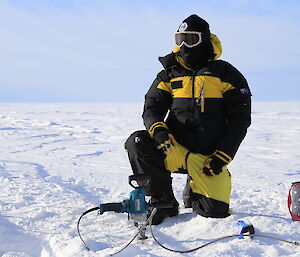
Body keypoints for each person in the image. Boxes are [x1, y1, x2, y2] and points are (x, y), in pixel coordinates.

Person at [125, 14, 251, 225]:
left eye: (191, 39)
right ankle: (162, 200)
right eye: (179, 39)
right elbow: (151, 108)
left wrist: (222, 156)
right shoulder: (169, 73)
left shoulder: (227, 74)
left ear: (205, 40)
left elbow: (240, 121)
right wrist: (159, 131)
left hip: (208, 157)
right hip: (174, 148)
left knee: (214, 212)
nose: (184, 45)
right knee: (137, 141)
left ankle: (195, 190)